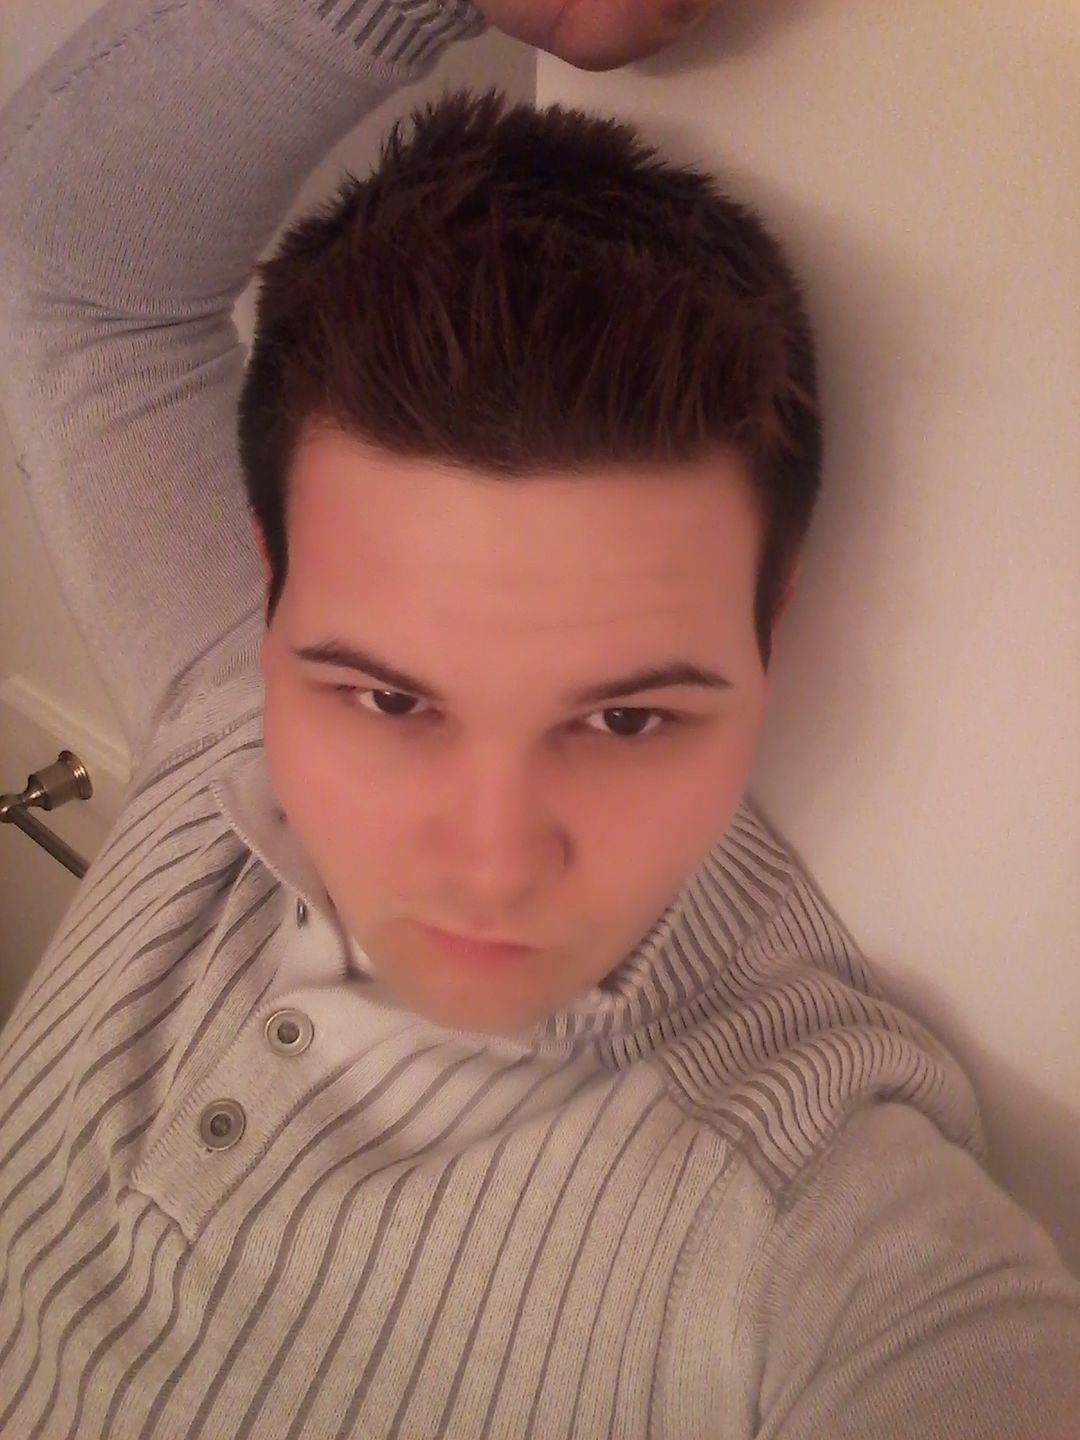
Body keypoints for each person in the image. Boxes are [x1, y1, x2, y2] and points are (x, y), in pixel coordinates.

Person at [0, 0, 1077, 1436]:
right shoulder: (224, 699)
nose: (492, 864)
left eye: (626, 719)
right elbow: (75, 260)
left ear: (771, 625)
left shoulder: (815, 1231)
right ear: (269, 590)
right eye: (388, 698)